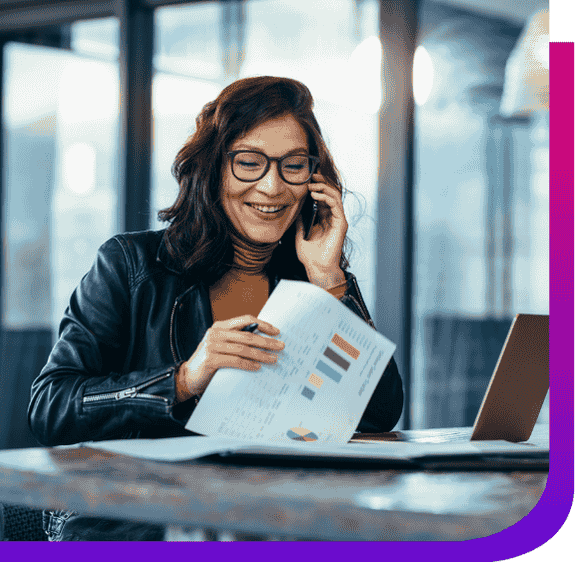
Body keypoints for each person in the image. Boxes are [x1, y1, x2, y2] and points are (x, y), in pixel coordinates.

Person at [28, 76, 403, 540]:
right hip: (146, 523)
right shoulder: (130, 264)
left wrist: (330, 283)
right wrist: (182, 380)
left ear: (313, 179)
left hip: (274, 521)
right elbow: (50, 407)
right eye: (248, 163)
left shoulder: (313, 273)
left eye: (293, 166)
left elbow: (380, 412)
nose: (272, 187)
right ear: (212, 170)